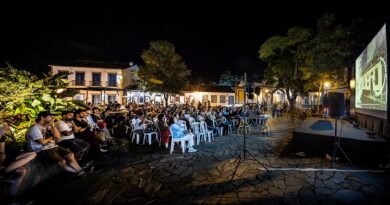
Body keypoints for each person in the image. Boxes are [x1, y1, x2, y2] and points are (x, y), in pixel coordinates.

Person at [0, 122, 37, 198]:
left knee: (31, 156)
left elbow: (2, 152)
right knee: (21, 171)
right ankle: (12, 198)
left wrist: (1, 135)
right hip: (2, 160)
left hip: (5, 159)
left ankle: (3, 173)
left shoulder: (2, 136)